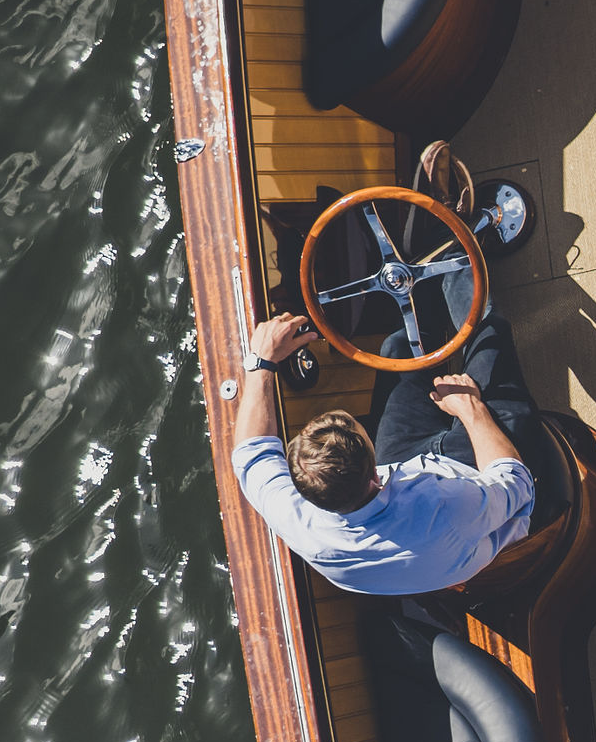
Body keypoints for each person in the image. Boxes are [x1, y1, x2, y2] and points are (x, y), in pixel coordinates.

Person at [229, 210, 559, 595]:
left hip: (407, 469)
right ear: (373, 473)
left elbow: (249, 455)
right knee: (488, 333)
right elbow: (516, 487)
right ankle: (457, 245)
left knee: (398, 349)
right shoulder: (444, 508)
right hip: (476, 487)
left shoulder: (301, 517)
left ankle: (433, 268)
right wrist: (472, 413)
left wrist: (263, 360)